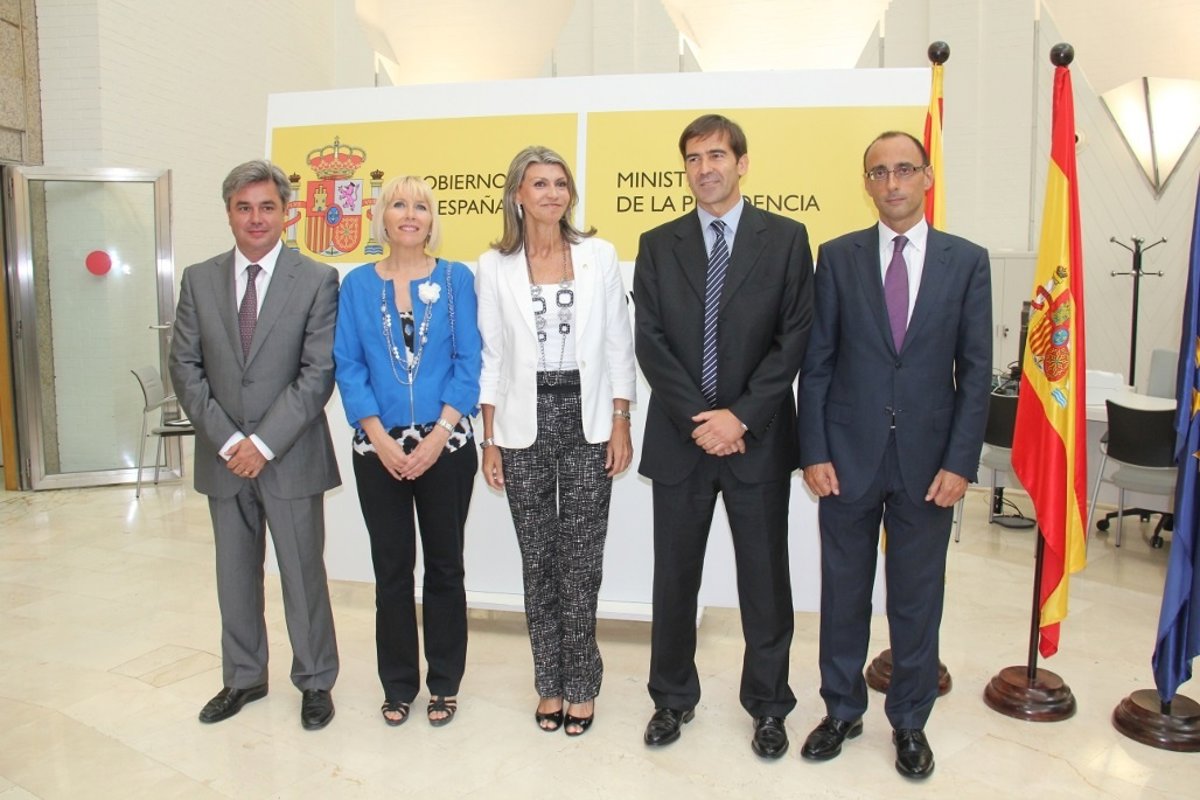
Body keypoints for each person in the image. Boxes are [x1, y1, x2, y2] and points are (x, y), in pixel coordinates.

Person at [796, 131, 991, 778]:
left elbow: (975, 371)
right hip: (846, 458)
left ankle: (909, 721)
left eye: (904, 169)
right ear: (867, 184)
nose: (892, 183)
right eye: (879, 172)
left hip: (929, 466)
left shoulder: (967, 262)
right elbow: (817, 364)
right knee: (843, 594)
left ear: (927, 176)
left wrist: (961, 462)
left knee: (916, 600)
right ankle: (842, 711)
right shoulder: (838, 257)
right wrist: (813, 450)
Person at [633, 114, 813, 758]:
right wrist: (701, 420)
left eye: (716, 155)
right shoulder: (659, 243)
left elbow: (794, 336)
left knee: (765, 583)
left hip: (756, 439)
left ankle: (769, 706)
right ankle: (671, 698)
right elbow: (650, 341)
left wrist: (739, 417)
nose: (704, 168)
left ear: (742, 162)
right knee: (674, 580)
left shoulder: (786, 238)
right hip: (681, 441)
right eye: (693, 158)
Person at [169, 159, 341, 730]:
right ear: (229, 214)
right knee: (235, 575)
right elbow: (185, 367)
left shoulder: (316, 279)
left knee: (302, 575)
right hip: (224, 460)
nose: (256, 218)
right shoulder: (199, 279)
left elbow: (317, 373)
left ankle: (315, 680)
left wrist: (262, 443)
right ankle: (244, 677)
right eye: (244, 208)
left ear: (286, 213)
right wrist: (229, 441)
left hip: (290, 455)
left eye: (267, 206)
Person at [477, 145, 636, 737]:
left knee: (582, 558)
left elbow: (619, 343)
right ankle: (549, 681)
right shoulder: (493, 266)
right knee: (538, 558)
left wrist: (621, 420)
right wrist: (489, 438)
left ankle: (583, 683)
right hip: (522, 423)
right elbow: (492, 357)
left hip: (589, 417)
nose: (552, 194)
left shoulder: (599, 255)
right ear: (517, 194)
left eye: (560, 183)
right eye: (539, 183)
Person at [333, 175, 481, 728]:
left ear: (432, 218)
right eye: (399, 204)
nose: (411, 214)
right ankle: (397, 686)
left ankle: (445, 683)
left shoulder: (456, 279)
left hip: (448, 444)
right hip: (378, 451)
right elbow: (348, 364)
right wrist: (378, 437)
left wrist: (439, 436)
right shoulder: (356, 285)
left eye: (421, 205)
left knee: (445, 567)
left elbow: (470, 361)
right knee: (392, 571)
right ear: (383, 217)